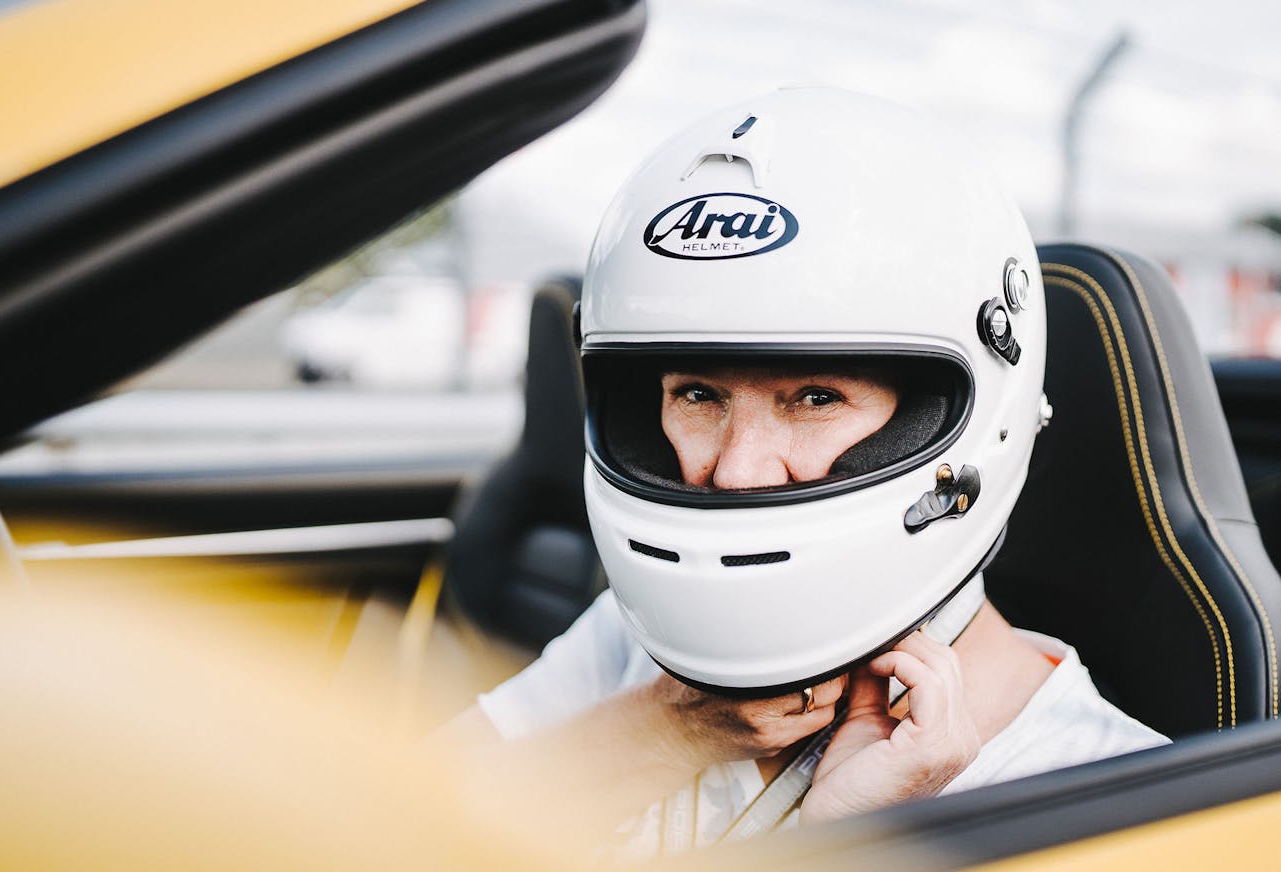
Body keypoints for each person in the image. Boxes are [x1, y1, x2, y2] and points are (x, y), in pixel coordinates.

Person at [447, 88, 1167, 857]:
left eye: (816, 397)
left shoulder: (1116, 795)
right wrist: (664, 730)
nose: (736, 472)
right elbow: (375, 821)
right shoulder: (642, 644)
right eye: (697, 393)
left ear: (956, 417)